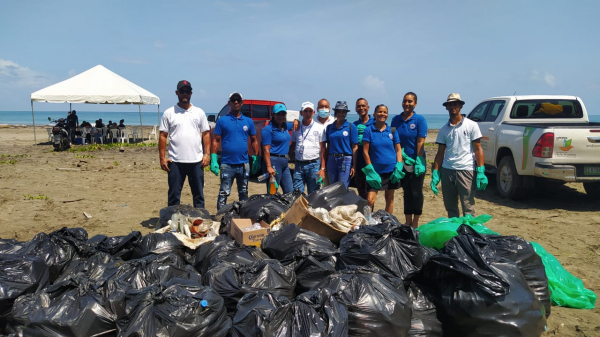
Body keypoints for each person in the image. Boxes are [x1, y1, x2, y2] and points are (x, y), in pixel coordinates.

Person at [431, 93, 488, 218]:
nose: (452, 107)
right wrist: (436, 172)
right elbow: (440, 153)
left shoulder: (471, 125)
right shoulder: (444, 130)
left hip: (466, 170)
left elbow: (478, 149)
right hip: (447, 170)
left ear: (461, 106)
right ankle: (455, 235)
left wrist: (481, 170)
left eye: (455, 104)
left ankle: (468, 234)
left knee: (468, 206)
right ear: (446, 107)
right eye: (449, 105)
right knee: (450, 207)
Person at [159, 80, 211, 208]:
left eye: (187, 91)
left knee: (198, 195)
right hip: (175, 161)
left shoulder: (199, 112)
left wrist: (207, 154)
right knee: (174, 195)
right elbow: (163, 136)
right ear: (177, 93)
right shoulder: (169, 113)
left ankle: (200, 222)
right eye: (182, 91)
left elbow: (206, 134)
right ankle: (172, 223)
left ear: (191, 93)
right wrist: (162, 158)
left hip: (196, 161)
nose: (185, 94)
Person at [211, 92, 260, 210]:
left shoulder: (248, 121)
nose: (236, 102)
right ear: (229, 103)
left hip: (243, 164)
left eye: (238, 100)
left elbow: (254, 140)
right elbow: (216, 140)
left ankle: (243, 216)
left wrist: (256, 157)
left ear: (242, 103)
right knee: (224, 192)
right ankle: (221, 216)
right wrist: (213, 158)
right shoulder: (222, 121)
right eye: (233, 100)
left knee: (243, 192)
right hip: (227, 164)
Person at [390, 92, 428, 228]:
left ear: (415, 103)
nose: (407, 104)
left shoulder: (419, 120)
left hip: (417, 161)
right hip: (402, 161)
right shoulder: (395, 120)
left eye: (410, 101)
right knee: (406, 191)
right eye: (405, 101)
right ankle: (407, 220)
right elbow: (393, 139)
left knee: (416, 192)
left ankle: (415, 222)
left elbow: (420, 141)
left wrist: (419, 160)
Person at [361, 104, 405, 213]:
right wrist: (370, 170)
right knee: (370, 200)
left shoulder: (393, 130)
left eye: (385, 112)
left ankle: (388, 222)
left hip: (391, 171)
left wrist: (399, 165)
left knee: (389, 199)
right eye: (380, 112)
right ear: (375, 114)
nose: (382, 114)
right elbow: (365, 152)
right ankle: (367, 223)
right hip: (375, 172)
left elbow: (398, 149)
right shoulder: (369, 130)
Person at [320, 101, 358, 189]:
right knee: (332, 187)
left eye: (343, 112)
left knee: (342, 187)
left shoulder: (351, 127)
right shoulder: (329, 127)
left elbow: (355, 147)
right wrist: (324, 165)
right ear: (335, 112)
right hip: (332, 160)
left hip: (345, 160)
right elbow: (328, 147)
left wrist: (354, 166)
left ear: (346, 113)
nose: (341, 114)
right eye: (339, 111)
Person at [292, 101, 326, 194]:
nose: (308, 113)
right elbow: (293, 145)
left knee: (314, 194)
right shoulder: (296, 127)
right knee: (297, 193)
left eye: (310, 111)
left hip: (314, 165)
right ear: (301, 113)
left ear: (314, 112)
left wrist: (322, 168)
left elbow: (323, 149)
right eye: (305, 111)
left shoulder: (319, 127)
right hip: (299, 165)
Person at [261, 103, 293, 193]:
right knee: (273, 192)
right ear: (273, 115)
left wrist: (296, 121)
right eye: (278, 114)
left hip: (285, 162)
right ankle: (271, 207)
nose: (281, 116)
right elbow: (266, 150)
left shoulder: (285, 126)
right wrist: (269, 166)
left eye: (283, 114)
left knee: (290, 191)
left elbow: (296, 124)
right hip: (273, 161)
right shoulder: (268, 130)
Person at [352, 98, 374, 200]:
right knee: (361, 194)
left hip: (372, 164)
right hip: (359, 163)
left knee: (371, 194)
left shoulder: (375, 123)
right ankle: (363, 215)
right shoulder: (354, 125)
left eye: (363, 105)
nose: (361, 108)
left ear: (368, 107)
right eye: (358, 106)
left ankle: (370, 215)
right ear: (356, 109)